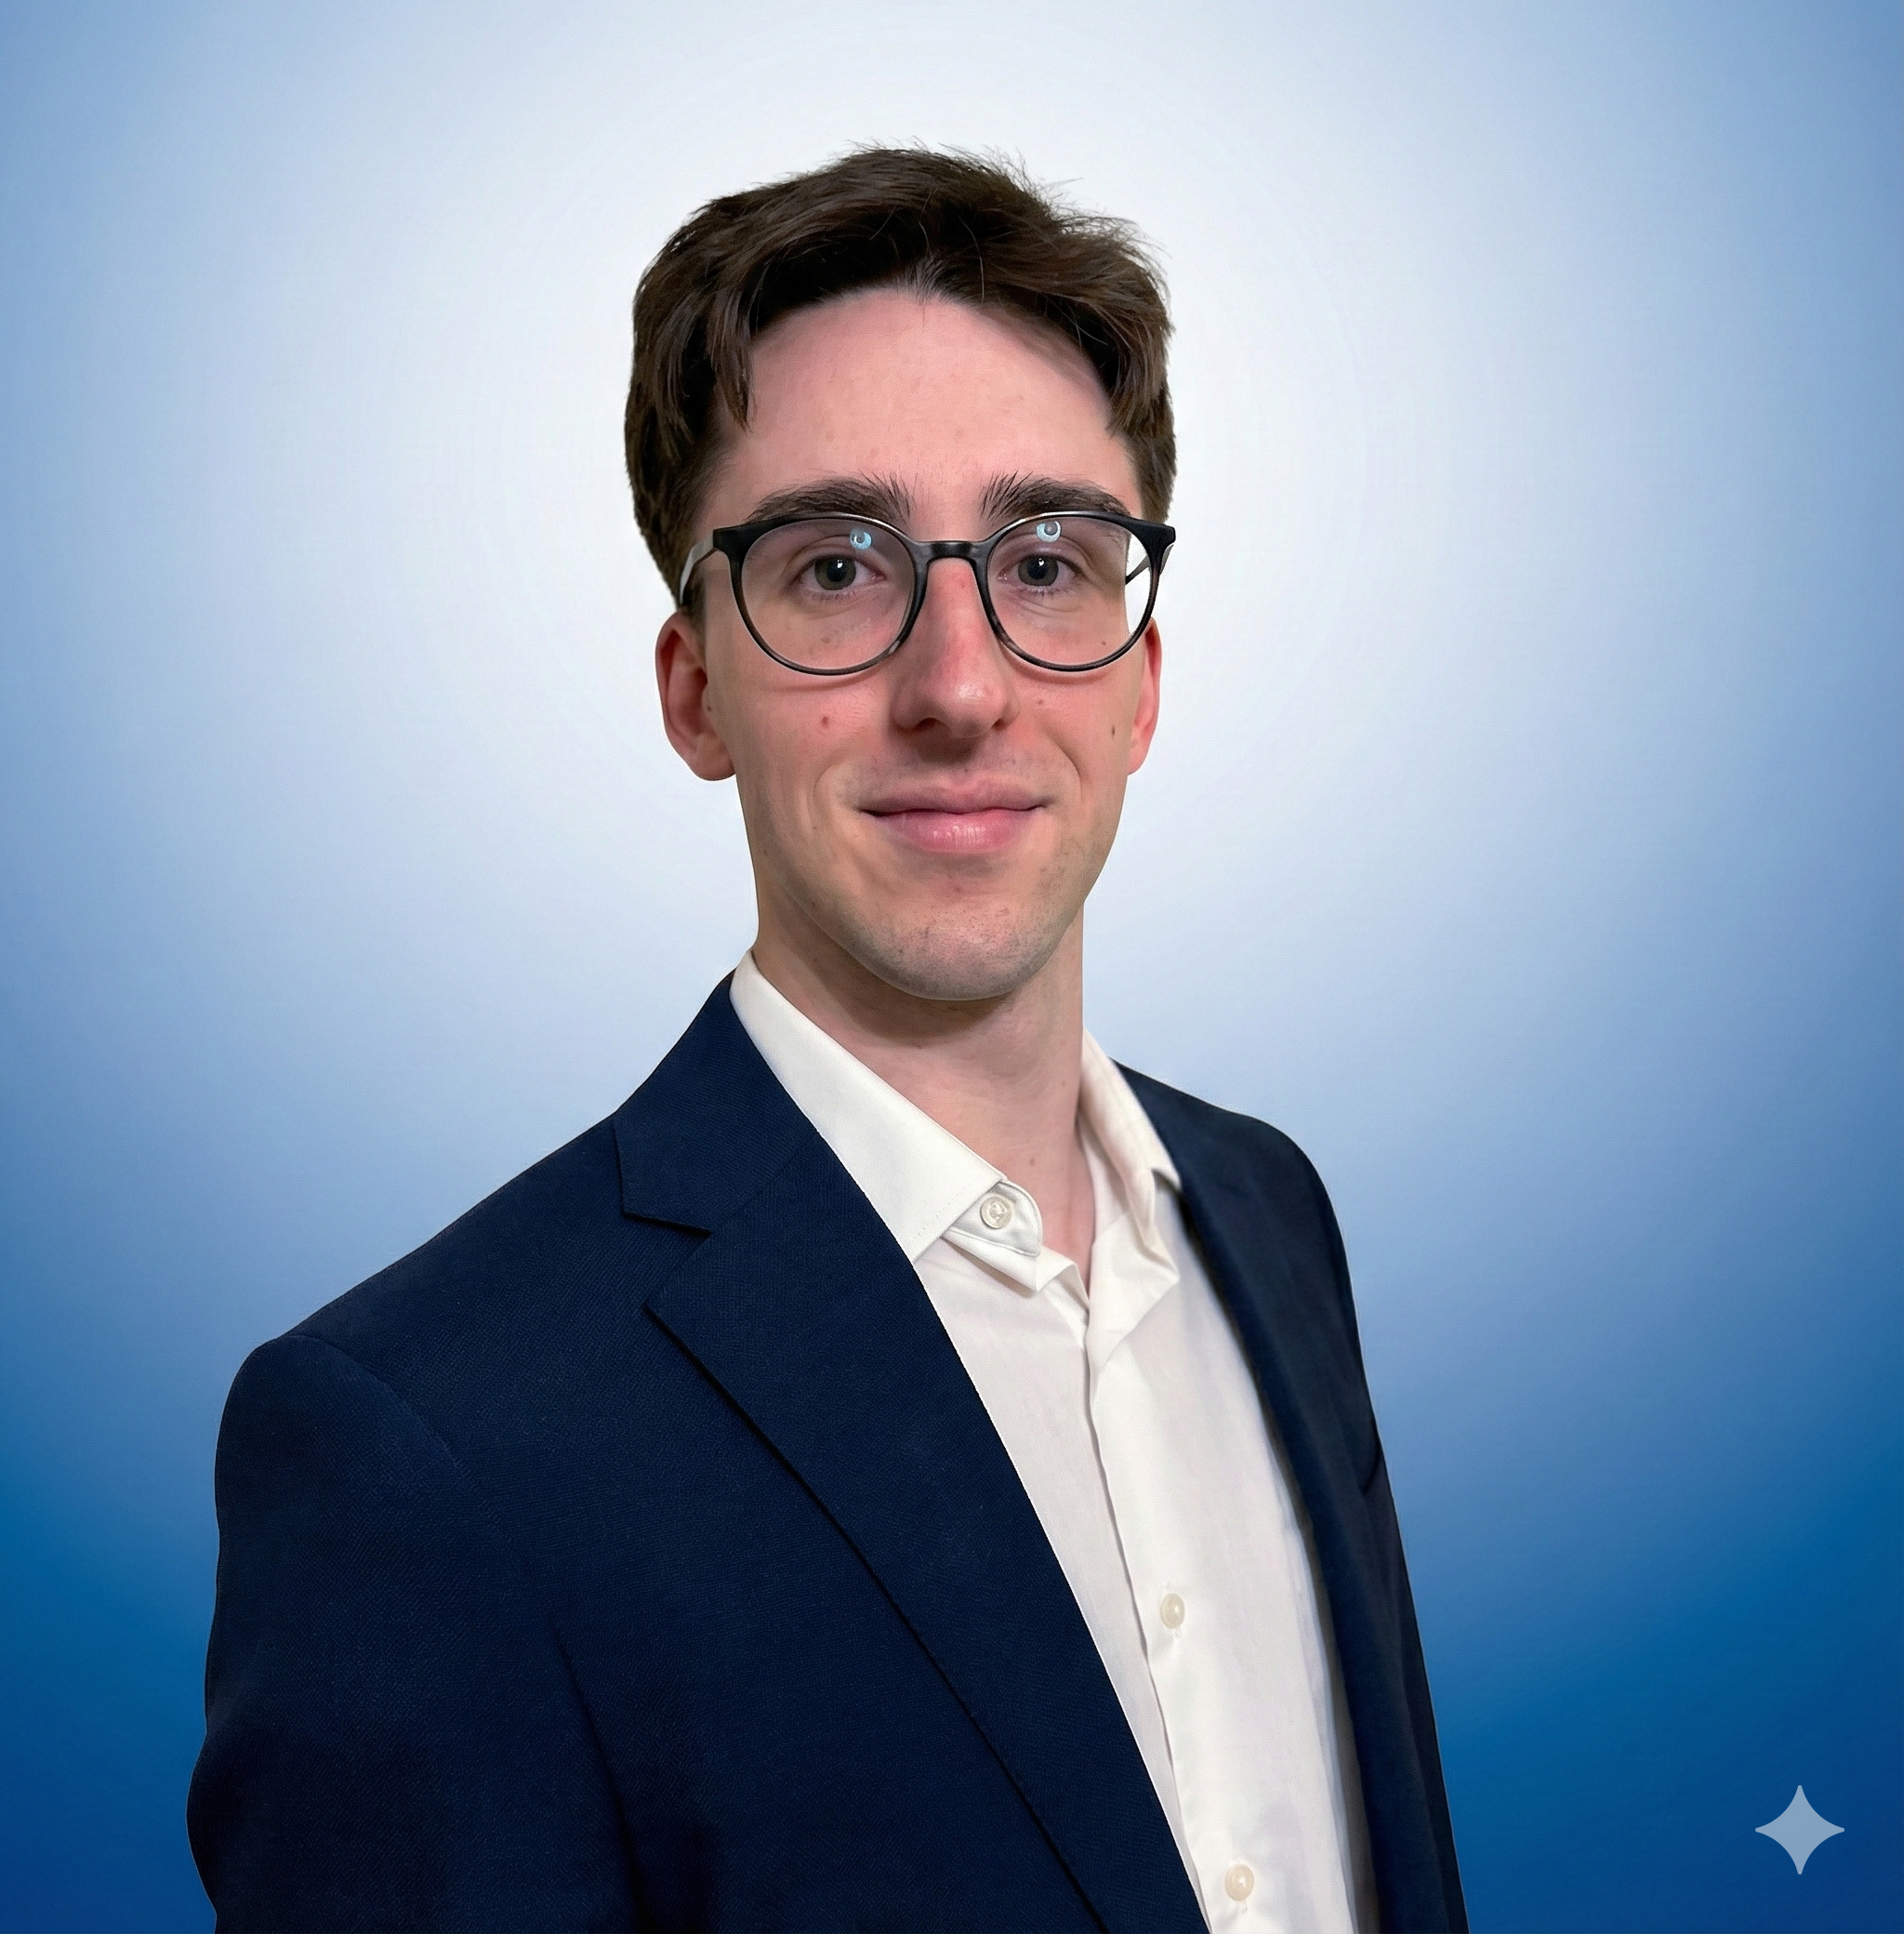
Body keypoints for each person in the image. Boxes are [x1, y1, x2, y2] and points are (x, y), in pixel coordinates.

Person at [188, 148, 1465, 1934]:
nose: (962, 684)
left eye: (1051, 559)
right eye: (838, 567)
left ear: (1144, 674)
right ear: (695, 686)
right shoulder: (425, 1447)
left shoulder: (1269, 1217)